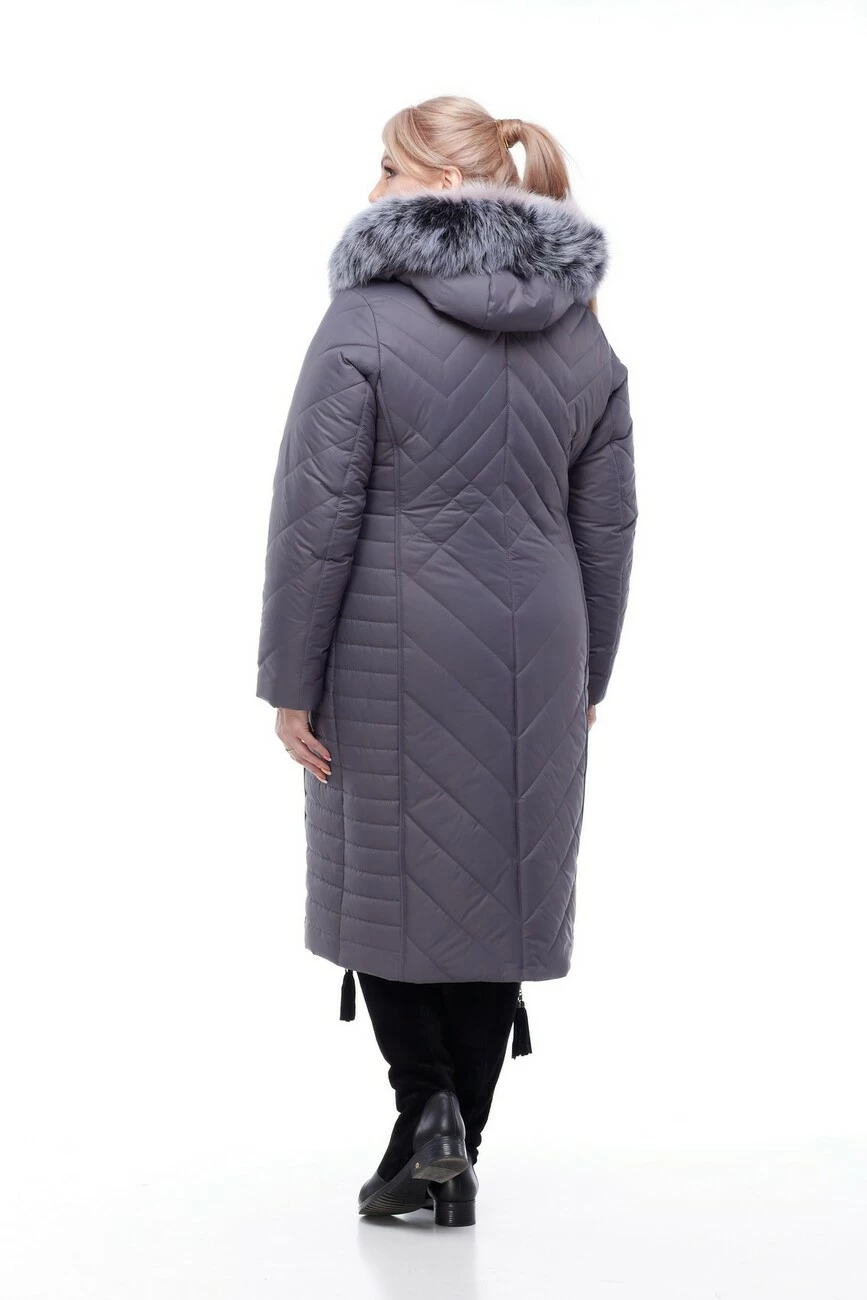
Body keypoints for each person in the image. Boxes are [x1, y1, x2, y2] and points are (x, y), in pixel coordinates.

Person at [255, 95, 638, 1227]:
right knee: (501, 885)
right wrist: (589, 674)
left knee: (389, 884)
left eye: (388, 165)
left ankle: (425, 1109)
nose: (371, 184)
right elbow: (607, 523)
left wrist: (290, 682)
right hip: (539, 642)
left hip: (388, 638)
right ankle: (454, 1140)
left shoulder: (365, 320)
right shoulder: (583, 330)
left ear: (439, 184)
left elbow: (314, 515)